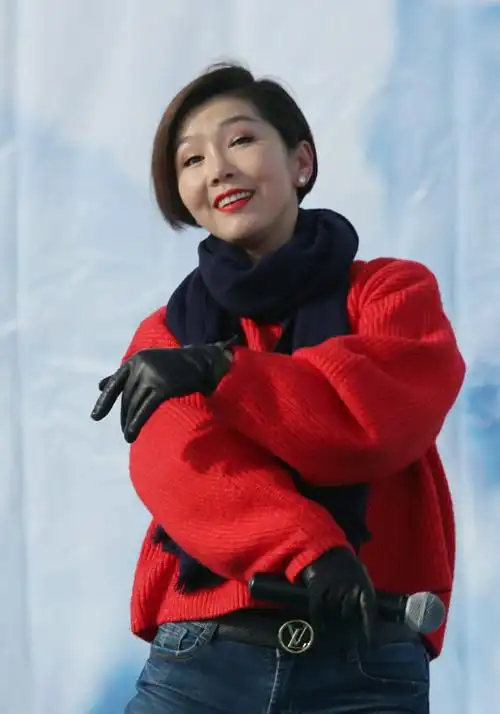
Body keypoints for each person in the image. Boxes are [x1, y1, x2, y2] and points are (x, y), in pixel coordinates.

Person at [91, 62, 465, 714]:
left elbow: (375, 418)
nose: (217, 169)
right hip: (203, 660)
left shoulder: (392, 292)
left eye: (240, 140)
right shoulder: (165, 335)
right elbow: (184, 470)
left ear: (301, 162)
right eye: (191, 160)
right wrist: (311, 550)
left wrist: (225, 372)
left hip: (367, 658)